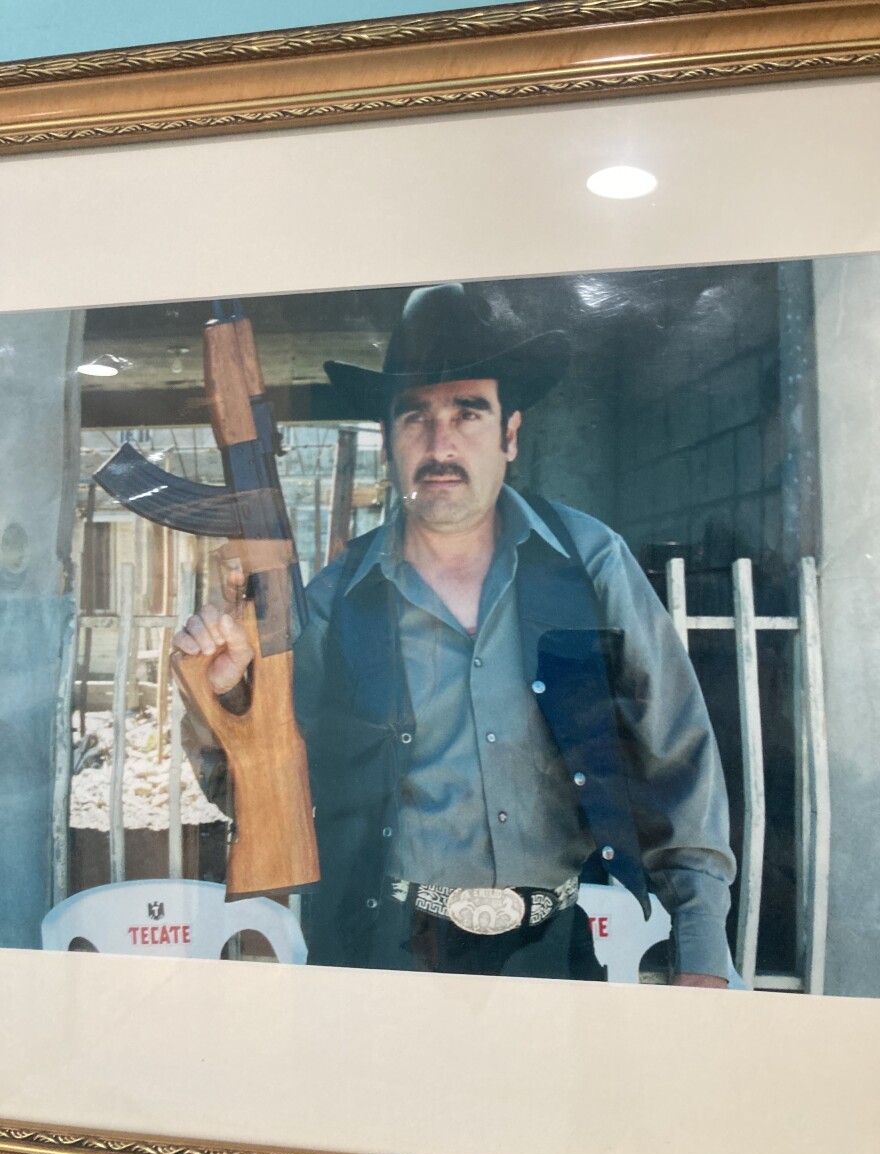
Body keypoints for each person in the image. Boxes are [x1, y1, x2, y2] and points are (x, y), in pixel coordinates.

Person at [175, 283, 735, 987]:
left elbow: (677, 754)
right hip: (381, 953)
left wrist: (701, 949)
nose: (441, 444)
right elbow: (258, 788)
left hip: (552, 952)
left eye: (468, 413)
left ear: (509, 436)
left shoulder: (590, 562)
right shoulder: (337, 598)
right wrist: (227, 700)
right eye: (416, 416)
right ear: (389, 441)